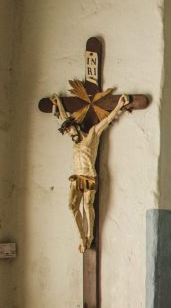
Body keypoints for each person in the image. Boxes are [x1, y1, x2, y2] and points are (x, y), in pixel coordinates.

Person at [51, 92, 130, 252]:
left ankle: (90, 235)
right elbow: (63, 118)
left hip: (89, 175)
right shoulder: (75, 141)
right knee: (71, 206)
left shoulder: (92, 134)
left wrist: (119, 105)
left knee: (87, 206)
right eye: (66, 132)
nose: (68, 133)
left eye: (69, 130)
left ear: (75, 126)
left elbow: (107, 120)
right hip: (77, 177)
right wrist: (58, 102)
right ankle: (82, 237)